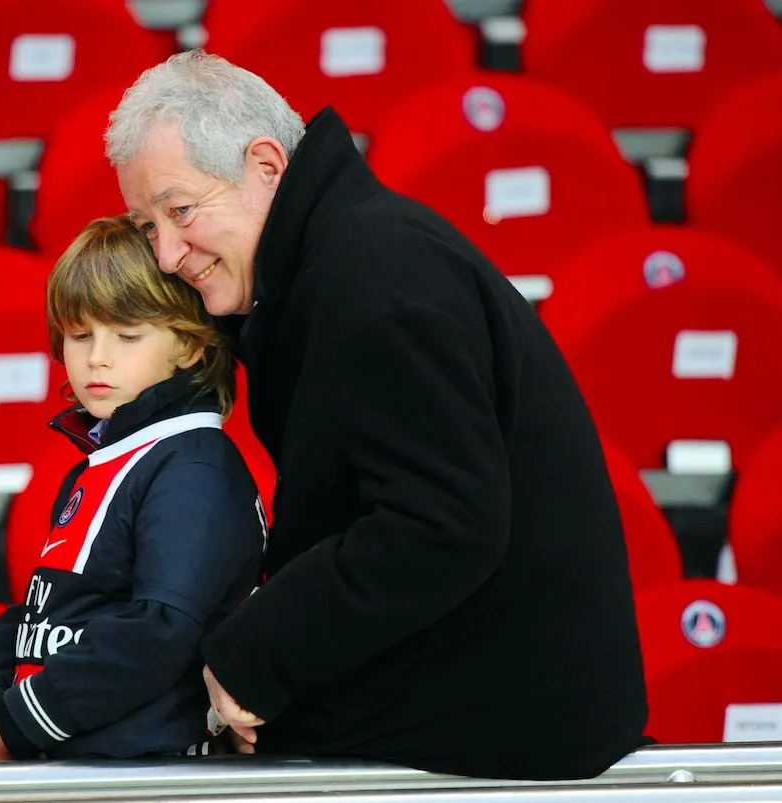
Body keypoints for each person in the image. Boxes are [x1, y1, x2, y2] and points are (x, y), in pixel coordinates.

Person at [105, 50, 649, 781]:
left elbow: (441, 525)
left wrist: (254, 652)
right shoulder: (338, 258)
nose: (167, 254)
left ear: (266, 166)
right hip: (490, 696)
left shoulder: (376, 280)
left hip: (507, 734)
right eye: (147, 227)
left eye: (179, 210)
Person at [0, 215, 266, 761]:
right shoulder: (104, 460)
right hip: (77, 771)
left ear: (190, 346)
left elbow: (158, 631)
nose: (98, 356)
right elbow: (40, 610)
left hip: (149, 783)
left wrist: (12, 725)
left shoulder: (195, 464)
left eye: (127, 335)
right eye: (80, 334)